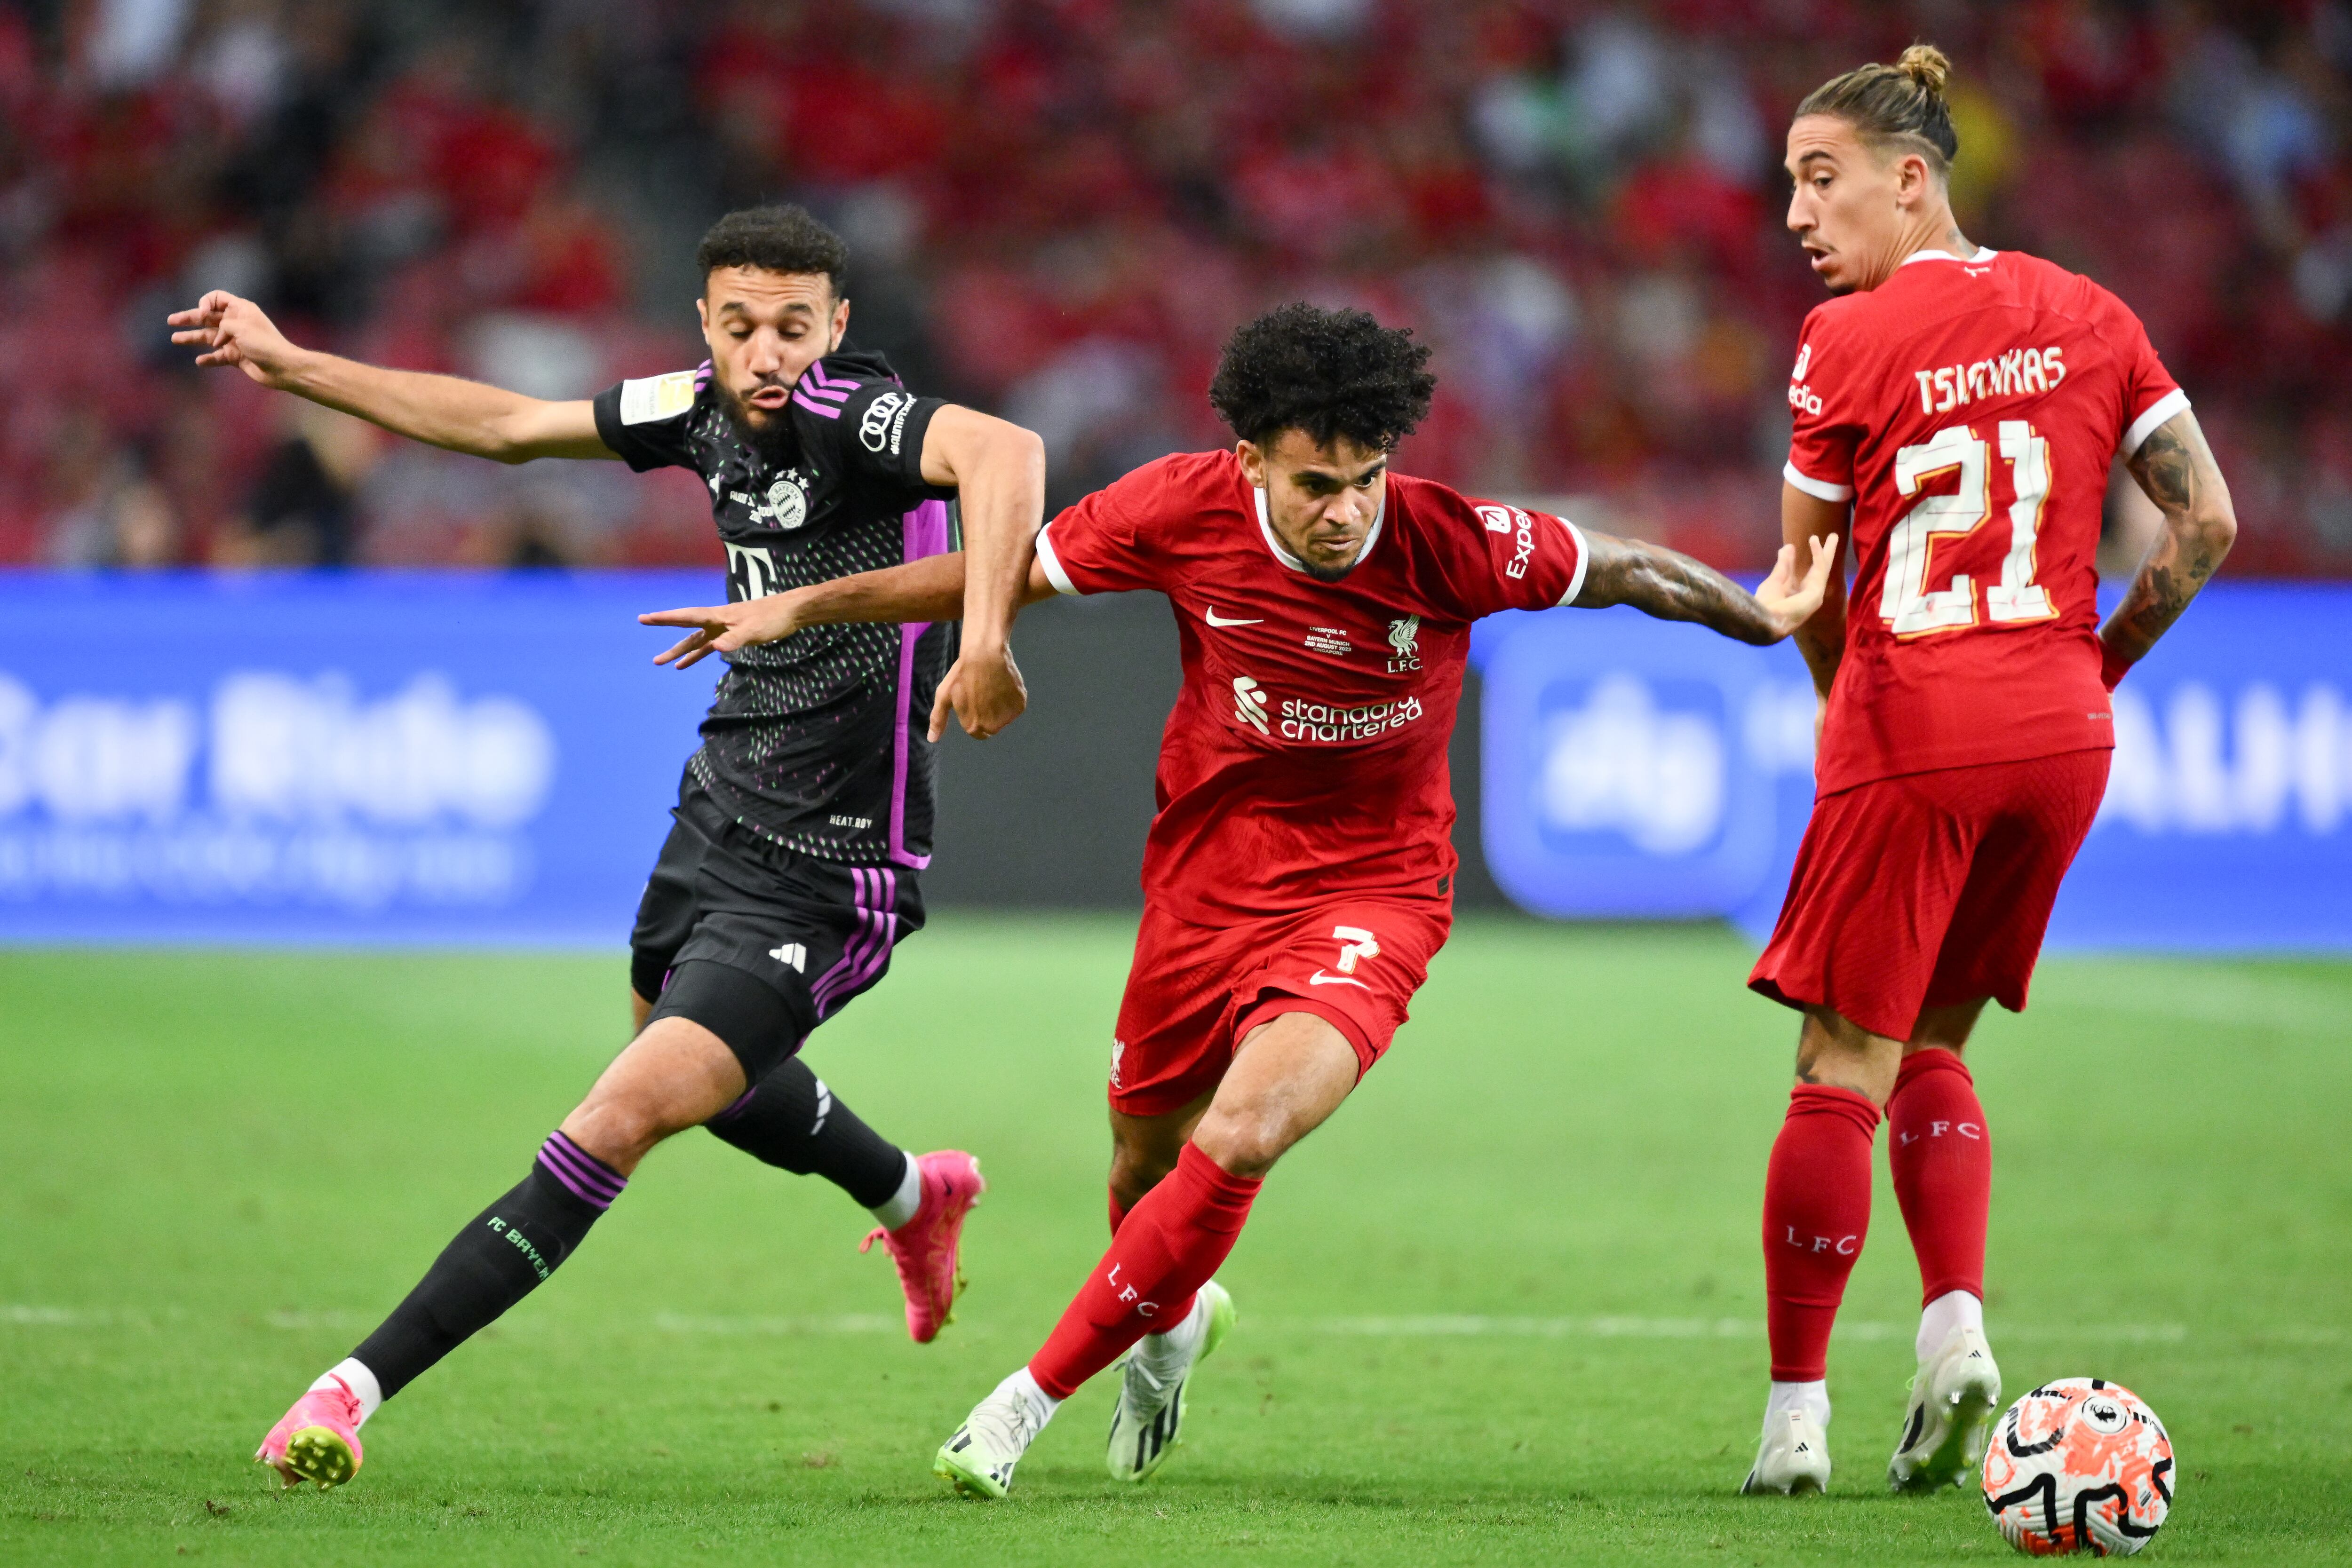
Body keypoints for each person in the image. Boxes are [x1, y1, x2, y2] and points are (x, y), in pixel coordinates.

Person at [641, 301, 1838, 1496]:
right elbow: (998, 572)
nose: (1347, 510)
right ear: (1252, 461)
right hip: (1206, 889)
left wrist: (1762, 615)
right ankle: (1168, 1331)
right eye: (1317, 483)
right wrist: (802, 604)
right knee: (1140, 1159)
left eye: (1366, 479)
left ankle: (1020, 1404)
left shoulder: (1450, 539)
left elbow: (1624, 566)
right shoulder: (1178, 508)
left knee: (1245, 1130)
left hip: (1373, 891)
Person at [168, 204, 1047, 1489]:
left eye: (793, 326)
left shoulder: (854, 413)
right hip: (717, 808)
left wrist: (983, 637)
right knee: (698, 1074)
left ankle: (347, 1391)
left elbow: (1007, 450)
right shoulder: (692, 406)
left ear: (837, 326)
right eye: (740, 325)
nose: (766, 353)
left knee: (616, 1116)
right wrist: (295, 365)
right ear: (705, 323)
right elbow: (506, 426)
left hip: (834, 865)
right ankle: (916, 1192)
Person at [1739, 47, 2237, 1497]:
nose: (1796, 214)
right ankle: (1953, 1327)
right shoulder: (2093, 310)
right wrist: (2095, 666)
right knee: (1930, 1042)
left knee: (1838, 1063)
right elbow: (2207, 522)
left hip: (1915, 723)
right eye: (1788, 185)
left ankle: (1794, 1421)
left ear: (1912, 179)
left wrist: (1838, 697)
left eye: (1820, 179)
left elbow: (1807, 574)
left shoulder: (1844, 339)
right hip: (2062, 734)